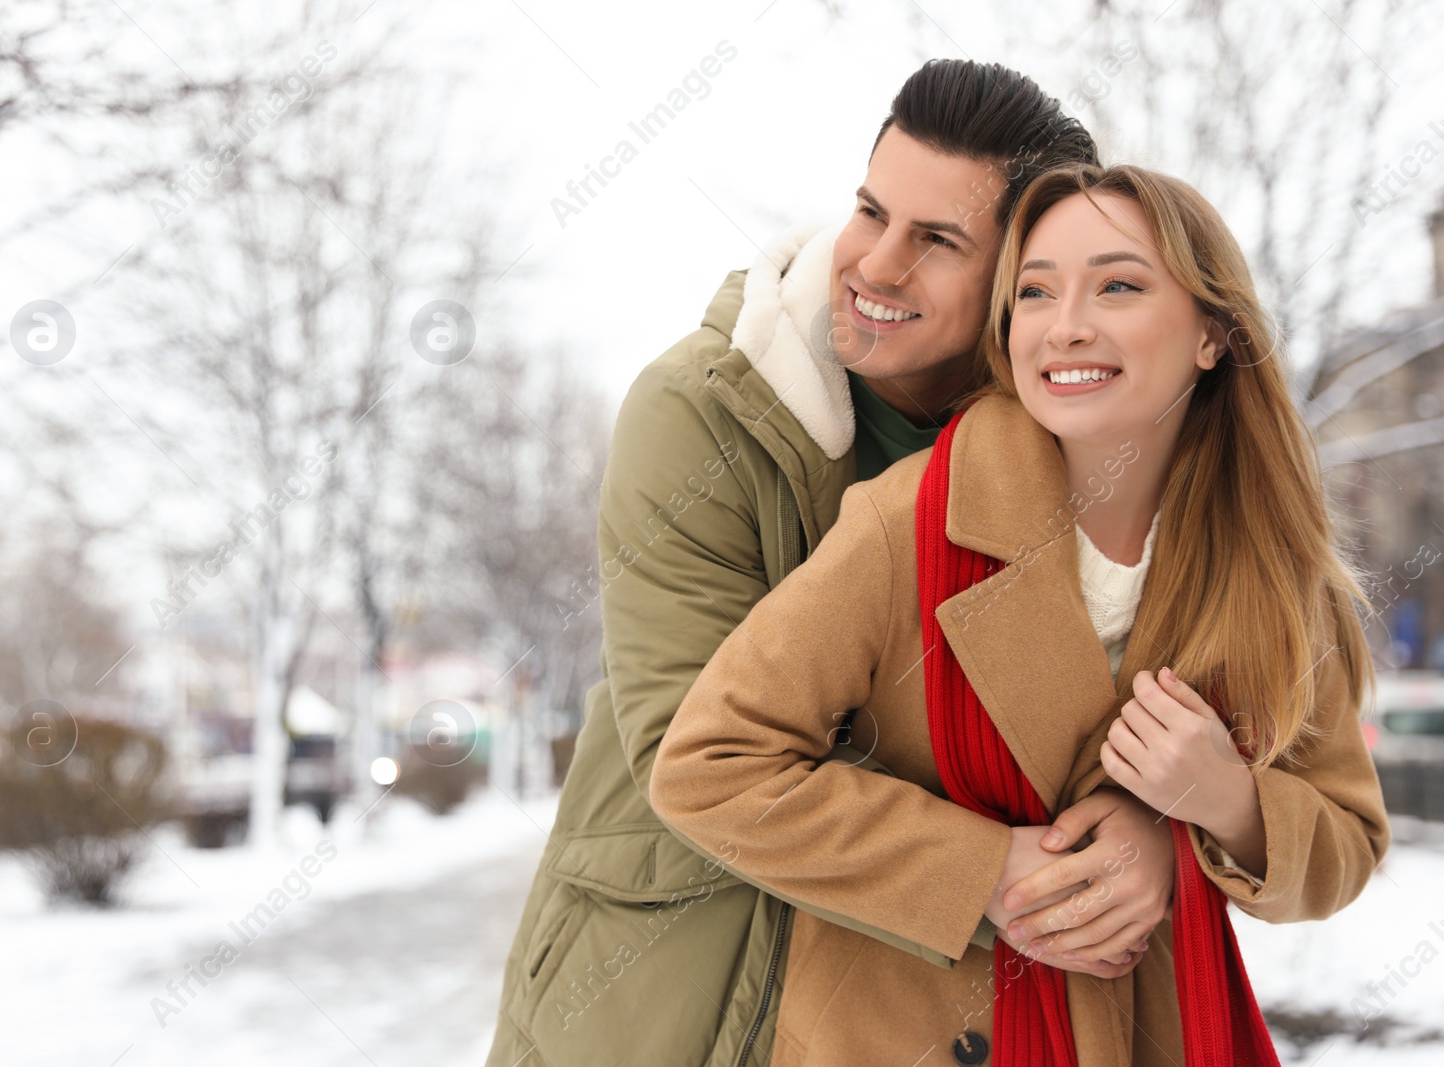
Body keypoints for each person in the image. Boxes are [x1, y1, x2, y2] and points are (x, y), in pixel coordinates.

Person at [485, 61, 1179, 1067]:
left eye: (937, 240)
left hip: (934, 1008)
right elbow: (698, 744)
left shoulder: (1083, 438)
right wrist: (1005, 868)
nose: (876, 266)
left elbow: (1186, 689)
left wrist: (1144, 822)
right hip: (685, 966)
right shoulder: (702, 412)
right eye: (869, 210)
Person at [649, 162, 1391, 1065]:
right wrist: (988, 871)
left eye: (1118, 285)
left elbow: (1347, 836)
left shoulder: (1274, 570)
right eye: (1035, 291)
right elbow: (710, 766)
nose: (1066, 324)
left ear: (1212, 333)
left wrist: (1216, 809)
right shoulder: (907, 524)